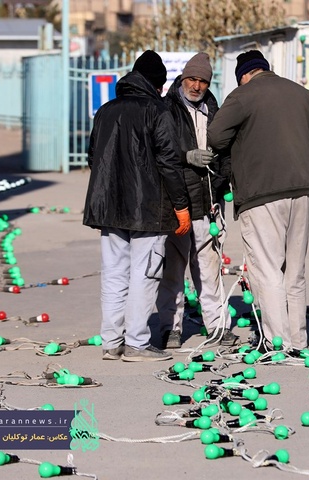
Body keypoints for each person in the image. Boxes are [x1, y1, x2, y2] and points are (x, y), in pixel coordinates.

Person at [207, 50, 309, 352]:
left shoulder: (242, 96)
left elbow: (216, 137)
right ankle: (298, 339)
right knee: (295, 271)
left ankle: (279, 342)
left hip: (261, 194)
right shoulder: (299, 93)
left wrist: (246, 143)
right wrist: (292, 140)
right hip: (301, 192)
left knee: (267, 268)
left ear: (244, 75)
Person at [83, 50, 191, 362]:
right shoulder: (158, 110)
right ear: (156, 84)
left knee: (114, 275)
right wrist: (181, 206)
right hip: (148, 210)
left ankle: (111, 342)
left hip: (109, 208)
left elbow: (94, 158)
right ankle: (137, 344)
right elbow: (169, 162)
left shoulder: (105, 111)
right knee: (145, 276)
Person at [157, 52, 238, 349]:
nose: (196, 85)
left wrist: (221, 183)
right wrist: (186, 156)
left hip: (208, 202)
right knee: (173, 270)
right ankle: (170, 327)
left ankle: (217, 326)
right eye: (192, 79)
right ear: (183, 79)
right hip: (177, 202)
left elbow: (226, 152)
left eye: (203, 81)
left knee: (208, 267)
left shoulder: (213, 109)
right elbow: (159, 153)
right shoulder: (166, 110)